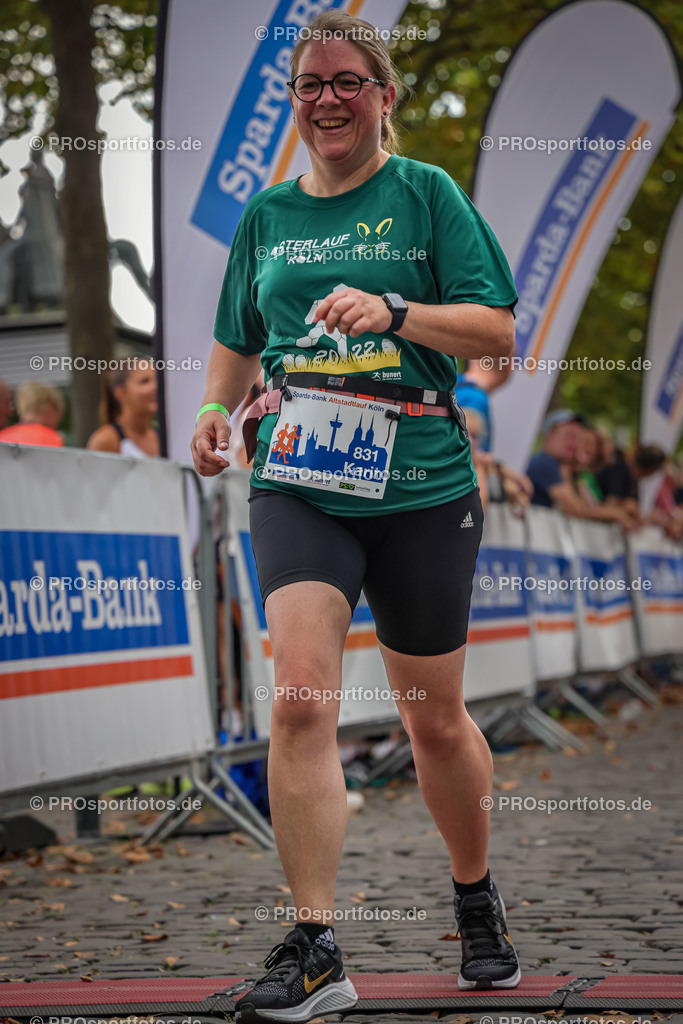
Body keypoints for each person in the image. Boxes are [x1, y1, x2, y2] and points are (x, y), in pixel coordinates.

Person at [191, 10, 520, 1019]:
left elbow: (495, 326)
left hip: (420, 481)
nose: (324, 98)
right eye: (308, 84)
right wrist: (212, 407)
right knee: (298, 700)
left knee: (433, 719)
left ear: (384, 97)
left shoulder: (425, 195)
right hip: (299, 477)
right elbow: (235, 340)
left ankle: (472, 894)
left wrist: (393, 313)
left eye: (344, 81)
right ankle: (316, 942)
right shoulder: (266, 216)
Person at [527, 411, 636, 530]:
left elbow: (589, 505)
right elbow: (576, 510)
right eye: (568, 436)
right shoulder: (544, 463)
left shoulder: (567, 469)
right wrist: (617, 514)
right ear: (548, 436)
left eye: (578, 438)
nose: (574, 444)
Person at [87, 362, 159, 457]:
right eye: (144, 381)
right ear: (120, 392)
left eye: (157, 380)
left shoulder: (162, 436)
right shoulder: (106, 440)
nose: (155, 387)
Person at [0, 380, 64, 447]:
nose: (58, 422)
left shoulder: (2, 437)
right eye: (58, 413)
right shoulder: (53, 439)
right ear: (49, 409)